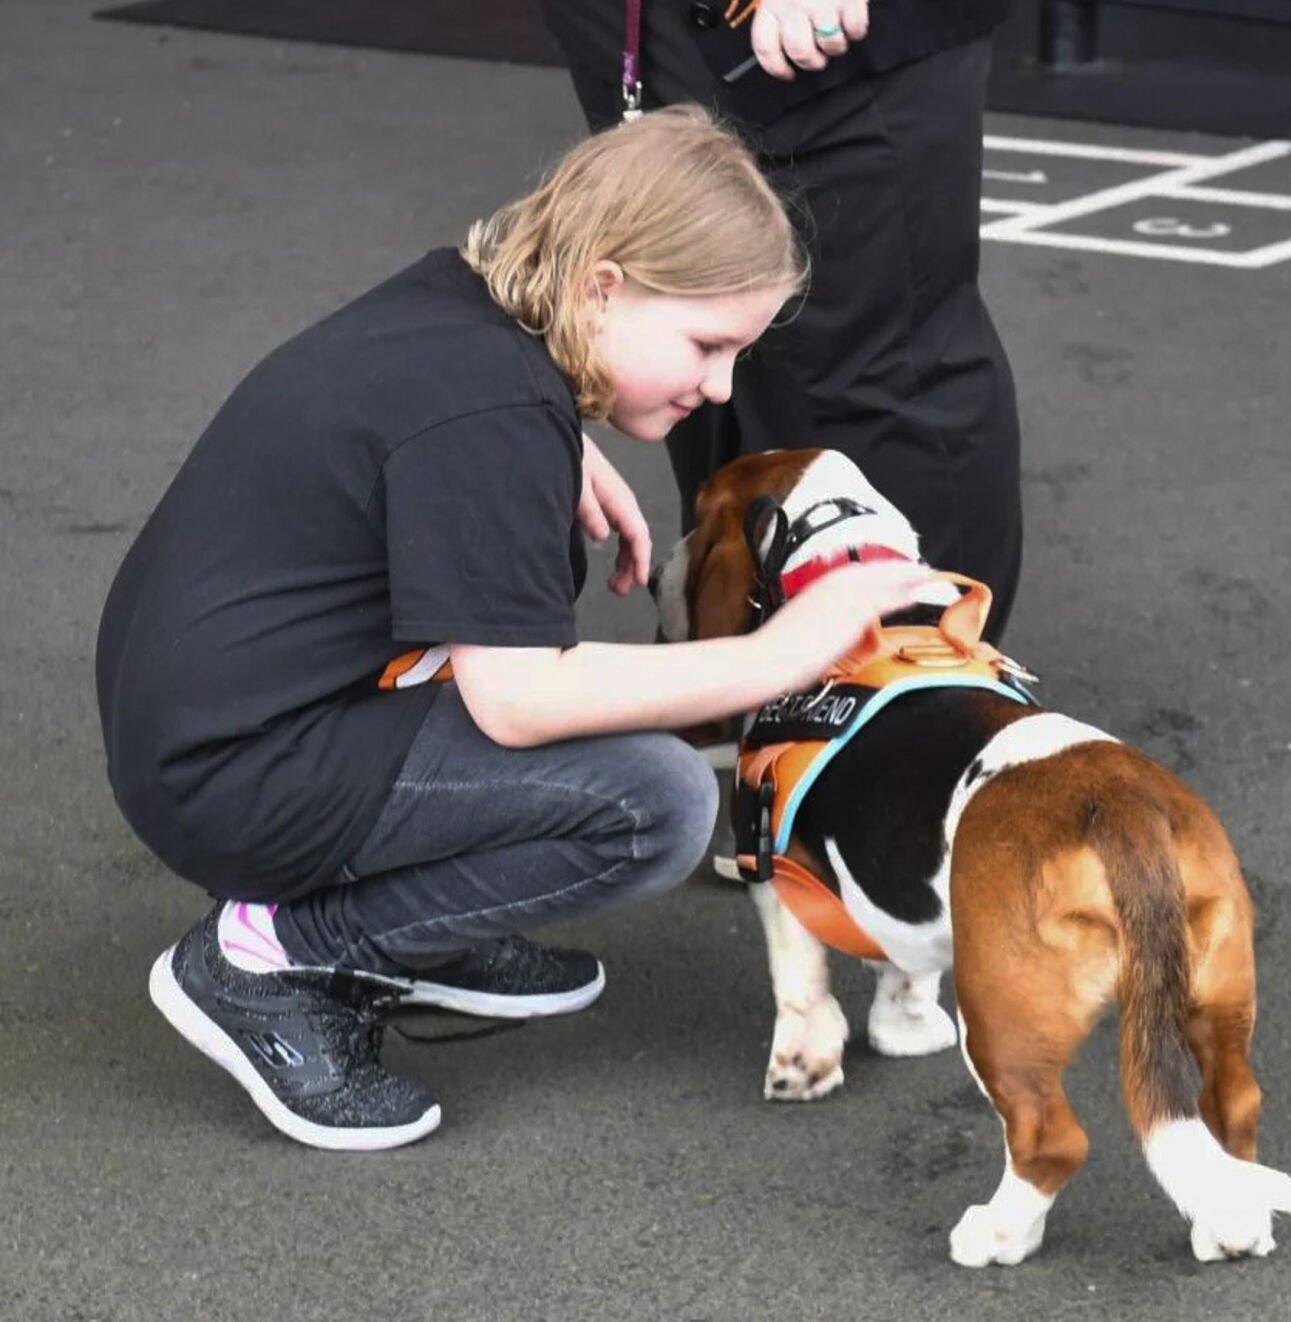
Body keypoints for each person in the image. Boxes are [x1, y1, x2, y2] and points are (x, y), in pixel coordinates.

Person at [95, 106, 931, 1152]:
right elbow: (520, 699)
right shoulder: (489, 417)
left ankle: (416, 927)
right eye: (709, 344)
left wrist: (560, 443)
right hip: (233, 776)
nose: (720, 385)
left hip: (200, 718)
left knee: (552, 685)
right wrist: (778, 650)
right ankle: (279, 956)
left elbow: (417, 418)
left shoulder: (464, 306)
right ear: (603, 285)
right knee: (657, 802)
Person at [544, 0, 1024, 640]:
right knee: (690, 339)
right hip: (640, 30)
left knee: (869, 371)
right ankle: (739, 663)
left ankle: (915, 672)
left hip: (824, 43)